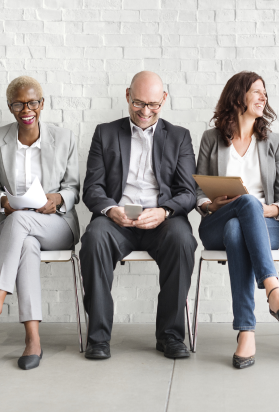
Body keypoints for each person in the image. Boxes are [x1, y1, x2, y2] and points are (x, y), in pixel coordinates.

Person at [80, 71, 197, 360]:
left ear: (164, 99)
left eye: (154, 105)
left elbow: (189, 192)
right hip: (117, 218)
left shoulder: (179, 136)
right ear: (128, 96)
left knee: (183, 241)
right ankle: (98, 338)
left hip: (162, 219)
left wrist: (164, 211)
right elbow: (92, 188)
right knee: (93, 239)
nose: (146, 112)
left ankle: (170, 335)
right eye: (138, 103)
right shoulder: (105, 133)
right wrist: (111, 210)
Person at [0, 76, 80, 370]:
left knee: (22, 223)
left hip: (56, 224)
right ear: (10, 107)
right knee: (27, 245)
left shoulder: (65, 137)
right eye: (18, 103)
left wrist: (56, 198)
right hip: (14, 227)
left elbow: (74, 188)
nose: (26, 109)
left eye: (33, 102)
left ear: (42, 104)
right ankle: (33, 339)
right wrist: (2, 202)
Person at [195, 71, 279, 369]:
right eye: (256, 91)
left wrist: (268, 209)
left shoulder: (275, 143)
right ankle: (272, 289)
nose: (263, 96)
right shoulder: (211, 139)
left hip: (264, 225)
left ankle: (246, 331)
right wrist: (209, 203)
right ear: (237, 96)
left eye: (264, 92)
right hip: (217, 219)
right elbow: (197, 191)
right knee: (238, 214)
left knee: (239, 226)